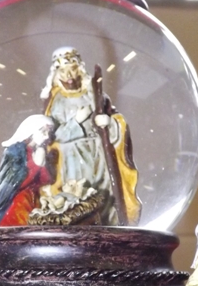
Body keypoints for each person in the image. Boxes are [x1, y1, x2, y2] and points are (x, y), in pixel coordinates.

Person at [40, 47, 141, 225]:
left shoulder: (95, 95)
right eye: (63, 71)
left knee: (104, 196)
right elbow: (51, 138)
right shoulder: (56, 102)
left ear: (80, 69)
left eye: (73, 69)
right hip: (72, 159)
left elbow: (116, 124)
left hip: (98, 156)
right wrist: (76, 122)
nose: (69, 75)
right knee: (78, 199)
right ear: (56, 74)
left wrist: (109, 123)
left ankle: (107, 227)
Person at [0, 115, 54, 227]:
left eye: (49, 133)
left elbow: (45, 180)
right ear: (32, 131)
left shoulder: (39, 151)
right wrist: (35, 165)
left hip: (33, 198)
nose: (47, 136)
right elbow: (13, 182)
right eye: (43, 132)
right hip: (12, 203)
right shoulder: (16, 152)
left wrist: (42, 165)